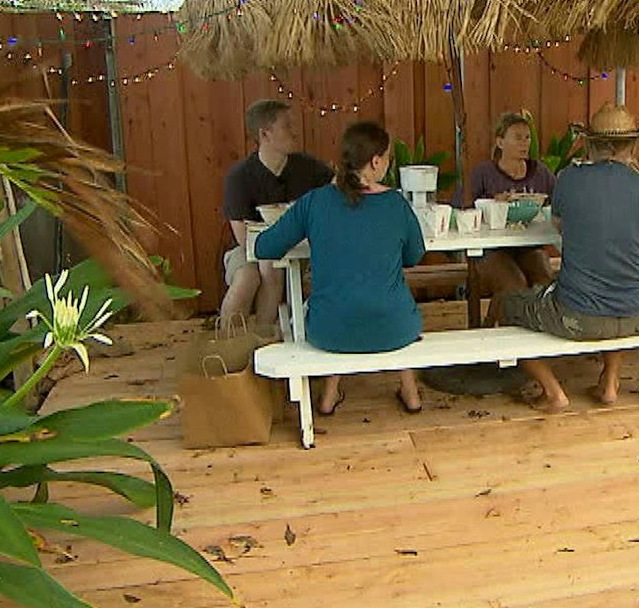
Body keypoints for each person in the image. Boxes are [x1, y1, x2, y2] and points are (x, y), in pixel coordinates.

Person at [497, 104, 639, 413]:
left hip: (577, 316)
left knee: (506, 305)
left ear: (590, 144)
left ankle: (553, 392)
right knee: (621, 286)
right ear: (633, 145)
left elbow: (559, 225)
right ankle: (610, 382)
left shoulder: (570, 180)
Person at [253, 121, 427, 416]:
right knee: (388, 299)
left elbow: (264, 248)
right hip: (395, 328)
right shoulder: (396, 204)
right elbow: (414, 256)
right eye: (387, 159)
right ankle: (410, 393)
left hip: (330, 331)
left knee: (338, 299)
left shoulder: (314, 202)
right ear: (375, 161)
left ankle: (329, 395)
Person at [220, 100, 332, 327]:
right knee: (248, 277)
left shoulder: (309, 168)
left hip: (299, 249)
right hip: (247, 251)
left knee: (272, 268)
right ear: (265, 134)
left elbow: (337, 190)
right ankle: (229, 343)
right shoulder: (240, 177)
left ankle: (263, 339)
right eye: (287, 126)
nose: (295, 131)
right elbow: (244, 240)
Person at [461, 112, 556, 320]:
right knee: (514, 286)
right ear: (500, 142)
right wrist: (493, 205)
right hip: (492, 248)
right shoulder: (484, 173)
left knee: (546, 282)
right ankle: (503, 338)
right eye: (518, 137)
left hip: (528, 244)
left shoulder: (540, 172)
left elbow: (560, 200)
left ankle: (538, 334)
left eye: (527, 137)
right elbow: (462, 209)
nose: (524, 143)